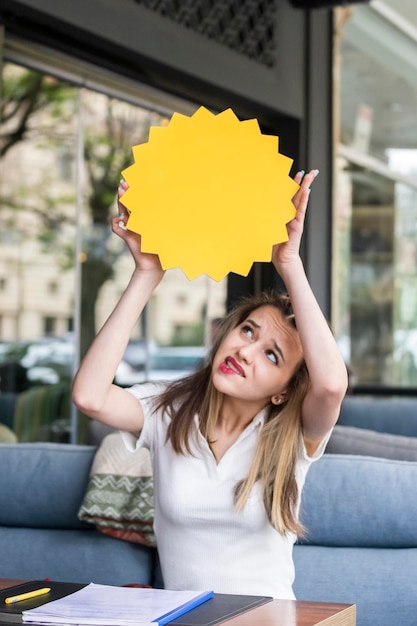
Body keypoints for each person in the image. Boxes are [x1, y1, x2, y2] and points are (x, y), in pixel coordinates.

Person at [72, 168, 348, 599]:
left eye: (272, 355)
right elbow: (89, 395)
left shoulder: (295, 432)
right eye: (248, 331)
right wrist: (147, 273)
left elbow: (330, 386)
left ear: (283, 390)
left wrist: (289, 265)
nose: (245, 351)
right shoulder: (166, 410)